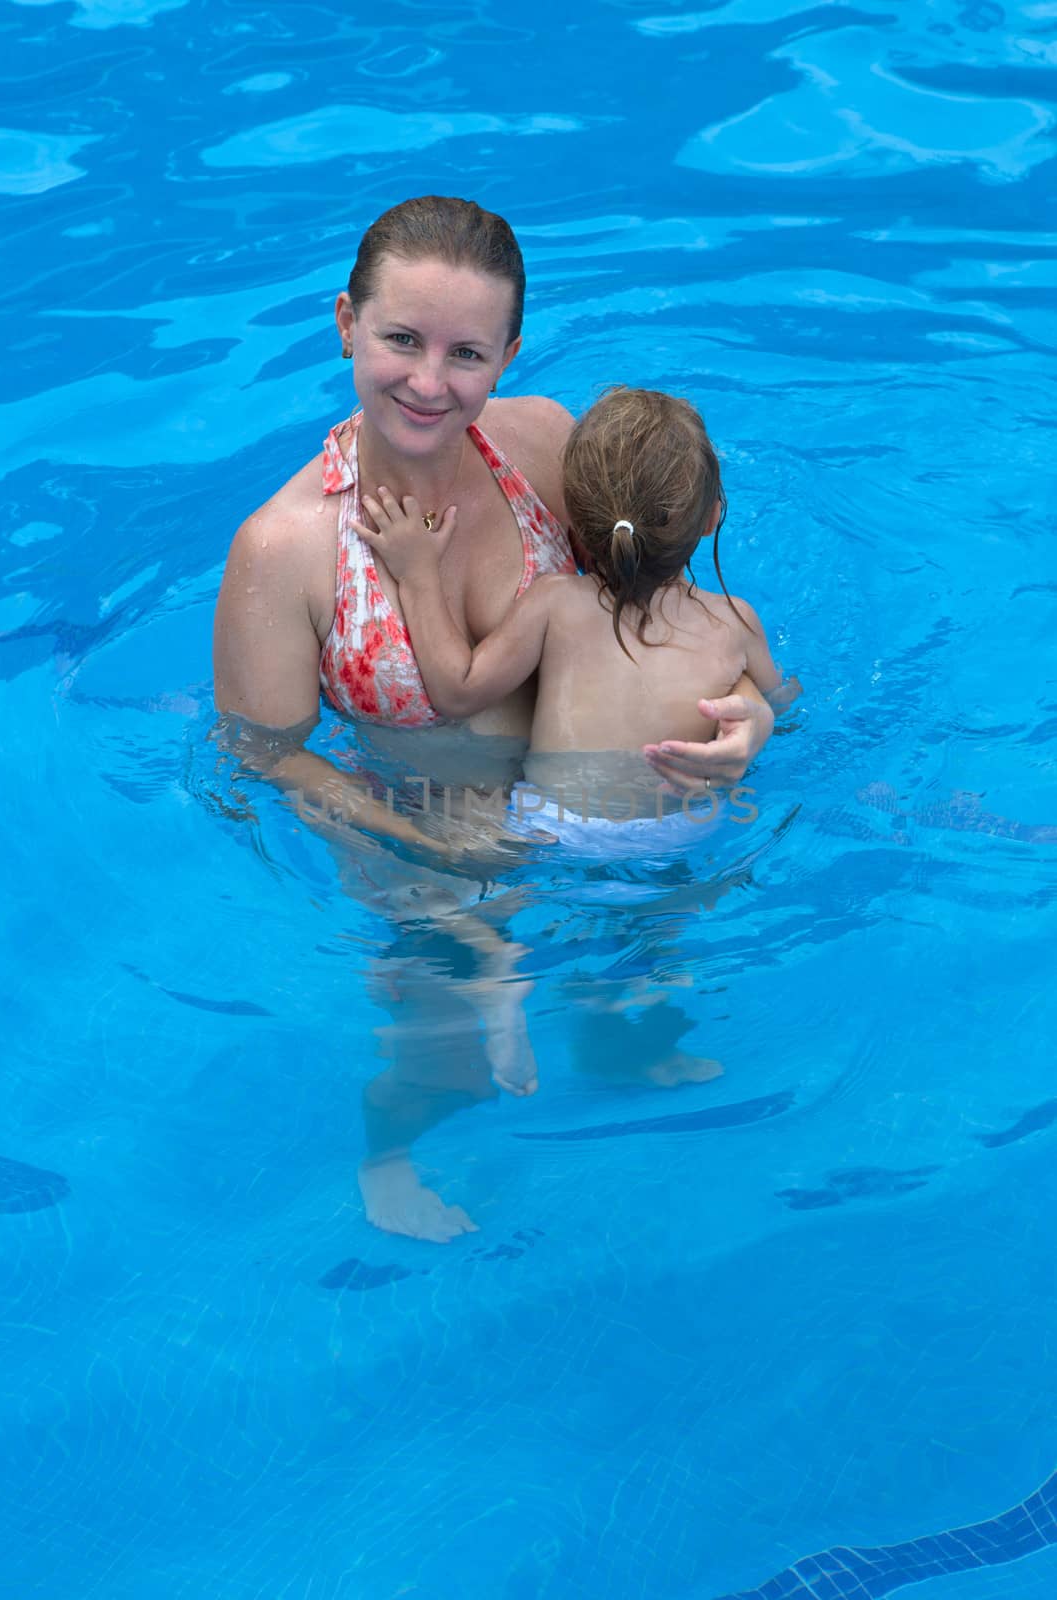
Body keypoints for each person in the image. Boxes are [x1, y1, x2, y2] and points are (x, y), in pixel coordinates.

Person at [213, 197, 777, 1240]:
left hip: (592, 798)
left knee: (646, 967)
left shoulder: (545, 444)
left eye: (465, 352)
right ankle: (390, 1157)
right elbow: (262, 756)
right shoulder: (284, 551)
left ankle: (618, 1048)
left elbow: (662, 614)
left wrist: (740, 719)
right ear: (343, 323)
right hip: (418, 822)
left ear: (507, 353)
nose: (430, 382)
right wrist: (418, 840)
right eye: (398, 339)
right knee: (443, 1044)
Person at [351, 384, 786, 825]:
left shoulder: (556, 602)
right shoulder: (736, 620)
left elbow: (457, 691)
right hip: (681, 824)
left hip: (555, 823)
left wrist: (418, 575)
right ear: (712, 518)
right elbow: (783, 706)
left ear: (572, 517)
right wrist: (760, 714)